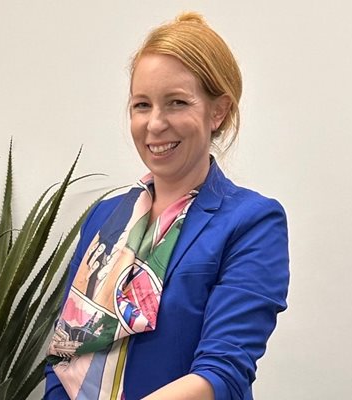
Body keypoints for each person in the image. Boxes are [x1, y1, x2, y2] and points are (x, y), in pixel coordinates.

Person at [44, 12, 289, 400]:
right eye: (142, 105)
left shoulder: (252, 223)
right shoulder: (103, 218)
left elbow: (222, 374)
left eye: (176, 103)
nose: (155, 124)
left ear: (218, 111)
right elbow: (64, 356)